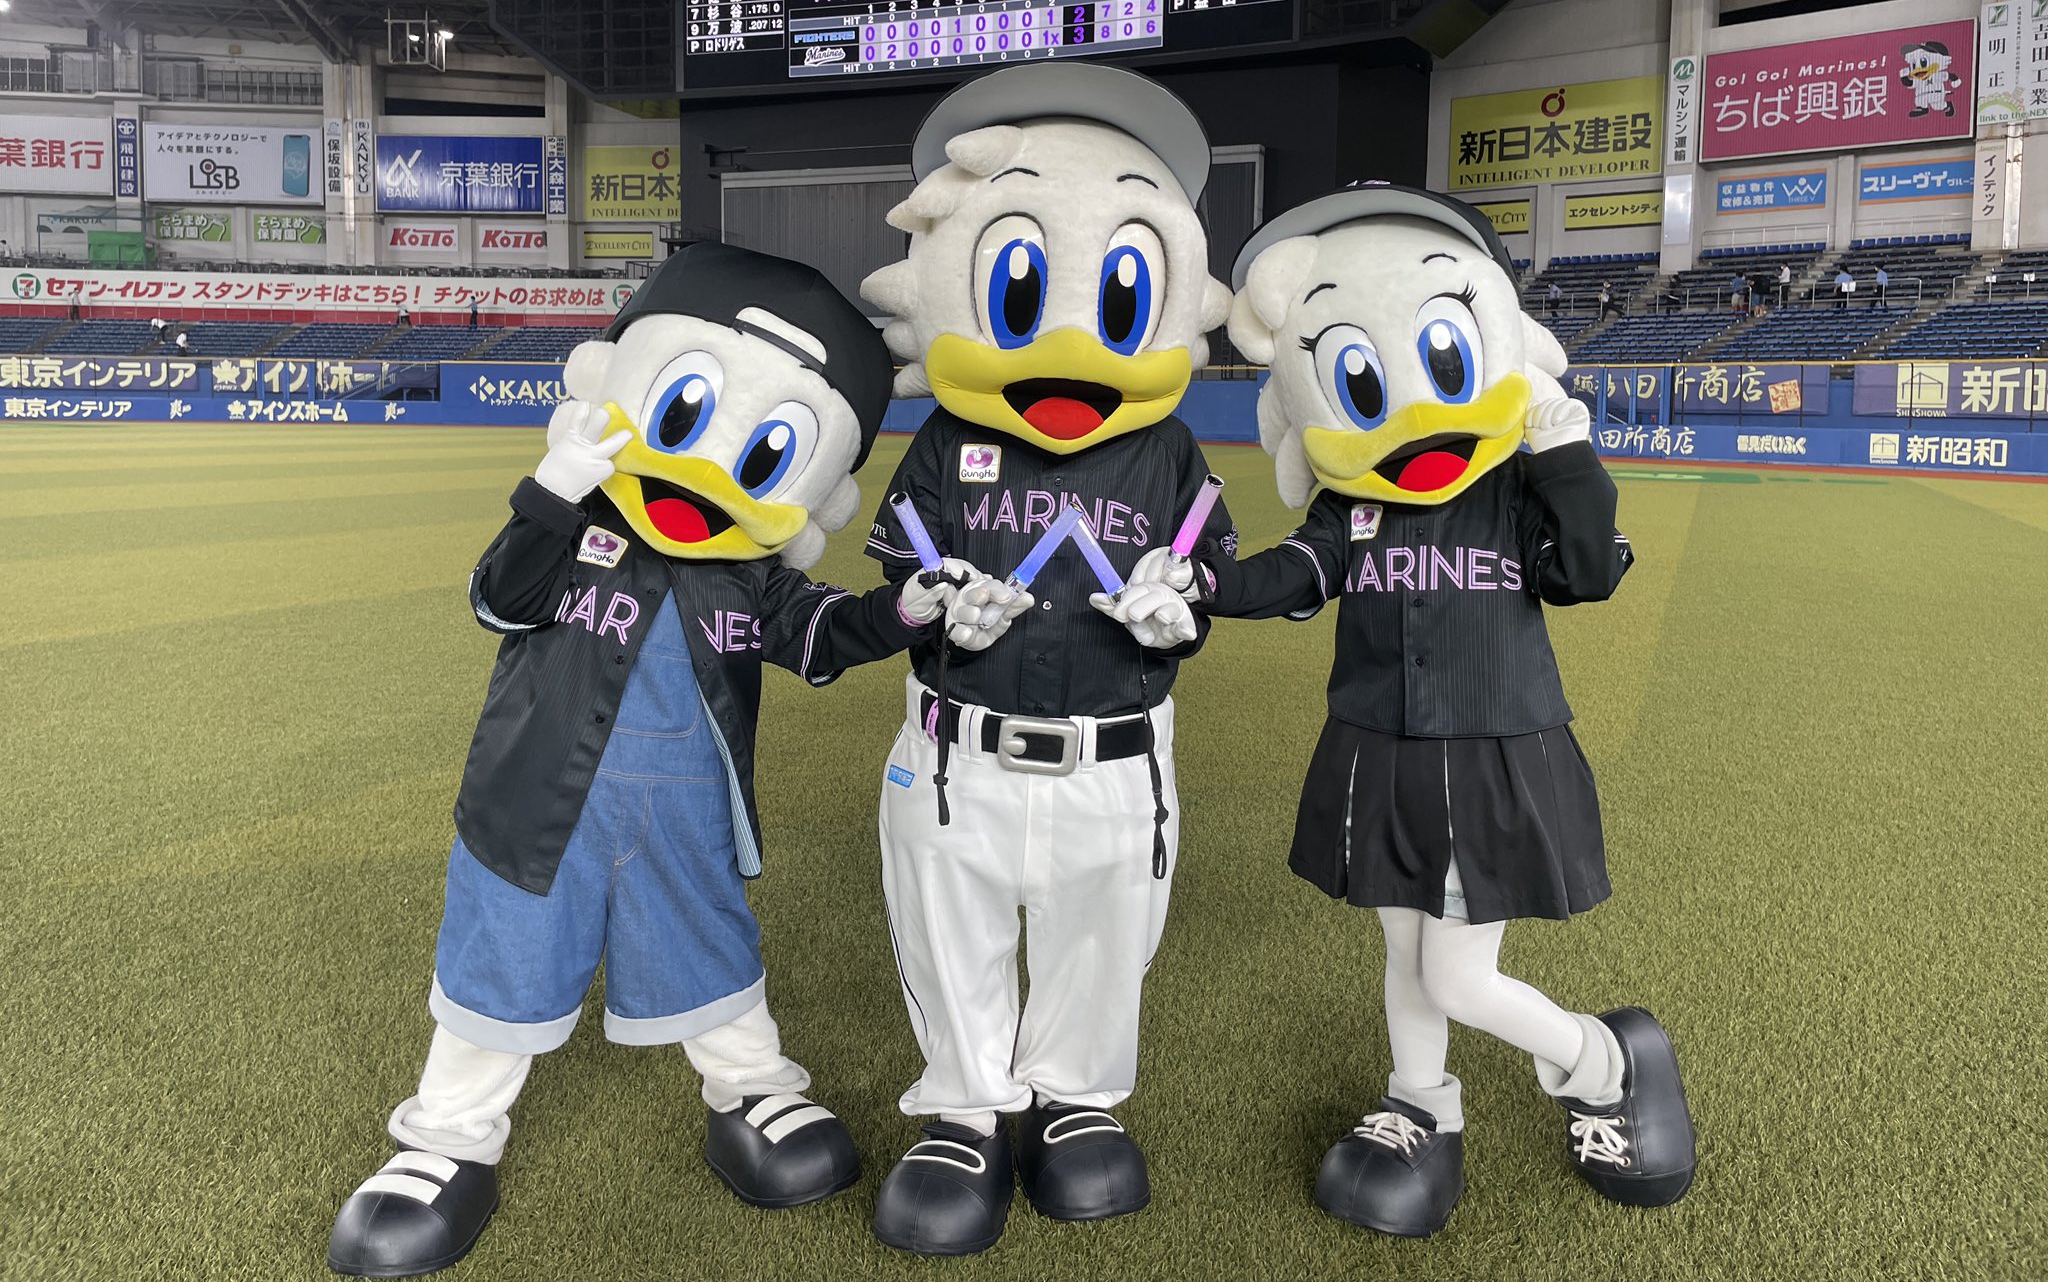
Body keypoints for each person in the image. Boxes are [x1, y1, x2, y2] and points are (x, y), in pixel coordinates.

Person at [325, 243, 1021, 1278]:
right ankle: (447, 1139)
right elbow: (498, 598)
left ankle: (751, 1092)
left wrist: (907, 610)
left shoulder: (748, 576)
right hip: (534, 806)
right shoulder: (576, 528)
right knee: (503, 956)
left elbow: (823, 634)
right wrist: (552, 491)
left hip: (686, 812)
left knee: (709, 947)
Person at [1167, 183, 1693, 1238]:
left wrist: (1565, 455)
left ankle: (1602, 1063)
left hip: (1490, 749)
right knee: (1404, 950)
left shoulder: (1513, 486)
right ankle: (1420, 1101)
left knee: (1454, 973)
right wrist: (1201, 583)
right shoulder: (1353, 498)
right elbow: (1296, 572)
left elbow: (1588, 573)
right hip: (1378, 748)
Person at [857, 62, 1235, 1255]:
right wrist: (930, 606)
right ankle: (967, 1108)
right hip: (955, 748)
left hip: (1116, 751)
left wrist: (1182, 608)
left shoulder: (1168, 448)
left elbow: (1204, 574)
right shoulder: (945, 435)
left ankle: (1073, 1098)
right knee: (947, 923)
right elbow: (899, 567)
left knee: (1102, 929)